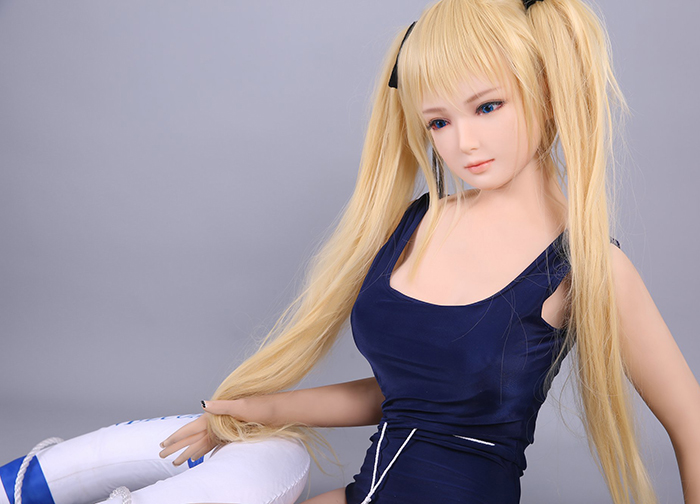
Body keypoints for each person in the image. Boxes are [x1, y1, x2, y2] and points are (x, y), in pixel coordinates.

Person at [2, 0, 698, 503]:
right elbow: (409, 396)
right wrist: (265, 408)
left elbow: (689, 421)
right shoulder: (421, 221)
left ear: (546, 94)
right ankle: (32, 482)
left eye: (488, 107)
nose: (463, 142)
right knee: (263, 454)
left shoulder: (587, 267)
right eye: (439, 121)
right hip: (369, 494)